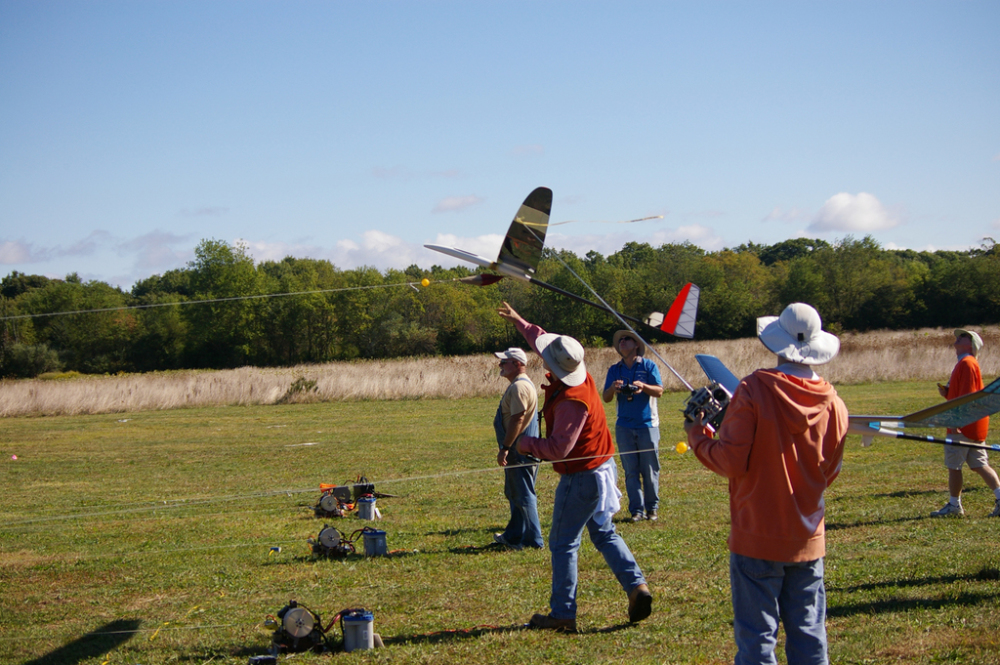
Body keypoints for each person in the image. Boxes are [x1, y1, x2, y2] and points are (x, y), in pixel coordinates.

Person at [684, 302, 848, 665]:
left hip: (756, 534)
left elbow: (730, 460)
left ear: (777, 344)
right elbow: (828, 474)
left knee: (757, 640)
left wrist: (697, 435)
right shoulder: (835, 404)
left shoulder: (754, 389)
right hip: (807, 538)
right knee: (809, 636)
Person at [498, 301, 651, 633]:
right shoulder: (578, 379)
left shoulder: (572, 401)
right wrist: (518, 319)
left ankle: (564, 614)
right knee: (604, 533)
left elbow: (558, 449)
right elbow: (540, 338)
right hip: (599, 469)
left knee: (563, 543)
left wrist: (523, 444)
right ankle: (637, 587)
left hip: (583, 477)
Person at [930, 329, 1000, 518]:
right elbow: (963, 393)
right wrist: (947, 393)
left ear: (970, 344)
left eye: (961, 337)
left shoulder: (966, 363)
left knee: (954, 466)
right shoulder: (967, 363)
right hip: (975, 423)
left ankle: (954, 506)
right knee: (979, 465)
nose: (956, 339)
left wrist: (957, 421)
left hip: (963, 425)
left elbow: (968, 396)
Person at [603, 330, 664, 521]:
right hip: (624, 426)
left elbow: (659, 391)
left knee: (650, 469)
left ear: (636, 344)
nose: (622, 342)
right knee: (630, 471)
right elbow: (605, 397)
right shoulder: (614, 370)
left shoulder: (648, 366)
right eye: (620, 340)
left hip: (647, 425)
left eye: (626, 339)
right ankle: (636, 510)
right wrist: (614, 388)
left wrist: (643, 387)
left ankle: (652, 509)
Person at [492, 347, 544, 549]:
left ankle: (533, 541)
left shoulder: (519, 387)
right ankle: (514, 535)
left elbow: (518, 418)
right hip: (520, 448)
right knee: (515, 492)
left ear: (518, 364)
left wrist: (506, 447)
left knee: (523, 494)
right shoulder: (519, 385)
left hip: (519, 450)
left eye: (505, 362)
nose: (500, 365)